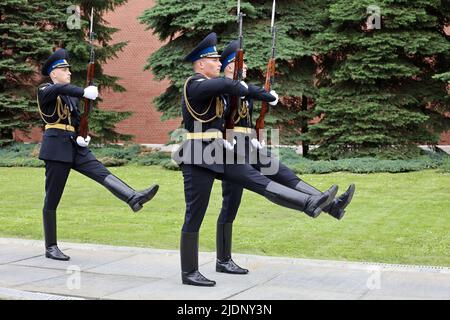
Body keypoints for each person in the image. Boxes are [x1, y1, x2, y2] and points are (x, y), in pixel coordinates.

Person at [174, 33, 337, 287]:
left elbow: (230, 93)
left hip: (220, 149)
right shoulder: (194, 84)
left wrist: (255, 94)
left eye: (219, 60)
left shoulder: (216, 86)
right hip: (197, 154)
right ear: (200, 63)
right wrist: (246, 88)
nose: (218, 63)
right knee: (195, 212)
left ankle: (310, 203)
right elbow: (227, 86)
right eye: (214, 60)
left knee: (258, 179)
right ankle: (189, 272)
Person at [216, 40, 356, 274]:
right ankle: (223, 260)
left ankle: (332, 205)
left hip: (250, 146)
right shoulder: (223, 88)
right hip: (232, 151)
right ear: (230, 67)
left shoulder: (244, 88)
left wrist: (256, 133)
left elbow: (249, 115)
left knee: (284, 174)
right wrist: (265, 95)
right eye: (241, 63)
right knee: (231, 204)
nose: (247, 66)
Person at [37, 49, 159, 261]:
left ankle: (132, 197)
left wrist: (82, 136)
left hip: (75, 146)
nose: (68, 72)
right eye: (64, 69)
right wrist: (83, 92)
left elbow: (75, 120)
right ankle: (51, 246)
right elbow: (57, 92)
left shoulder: (68, 94)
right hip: (56, 149)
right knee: (52, 198)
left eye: (68, 69)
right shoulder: (45, 89)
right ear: (53, 72)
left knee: (100, 172)